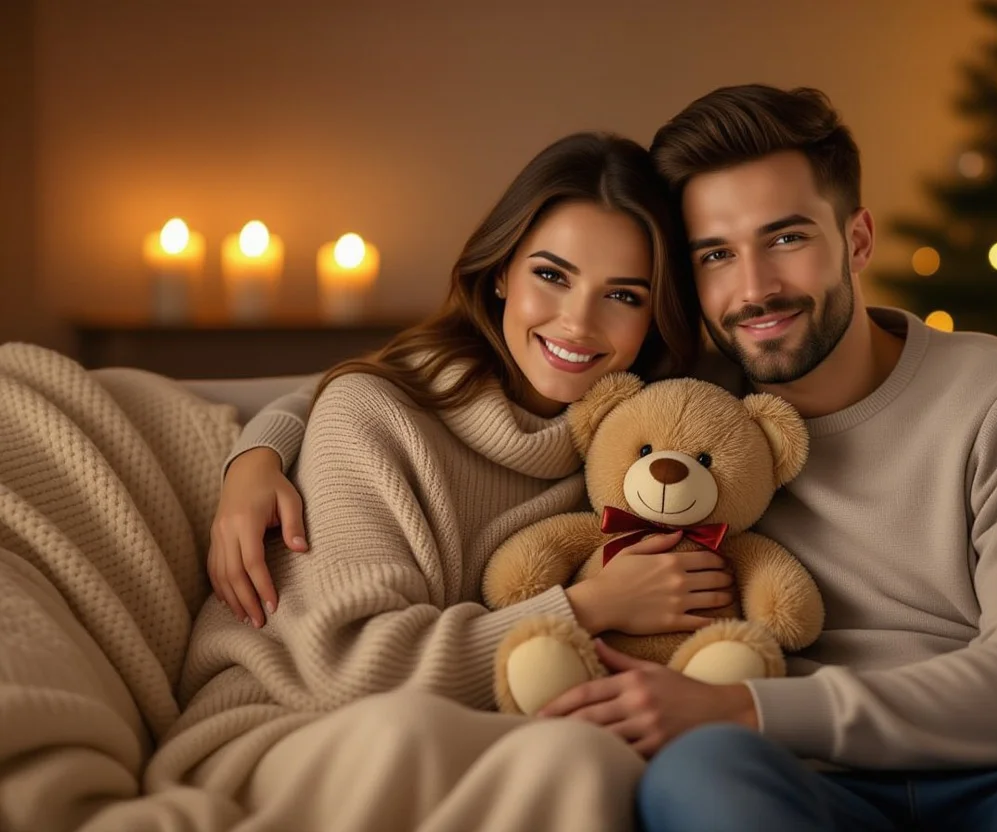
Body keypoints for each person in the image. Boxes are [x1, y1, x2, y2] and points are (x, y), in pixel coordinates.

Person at [209, 88, 997, 832]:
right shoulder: (689, 393)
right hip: (795, 782)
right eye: (715, 255)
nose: (755, 288)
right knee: (695, 784)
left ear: (856, 239)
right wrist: (265, 443)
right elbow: (433, 383)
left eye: (787, 240)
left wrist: (744, 702)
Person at [146, 132, 730, 832]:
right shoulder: (376, 414)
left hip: (478, 732)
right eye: (552, 274)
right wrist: (588, 606)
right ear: (502, 273)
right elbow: (352, 668)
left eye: (624, 295)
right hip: (282, 726)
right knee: (574, 763)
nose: (577, 320)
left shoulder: (638, 449)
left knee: (604, 760)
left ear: (654, 317)